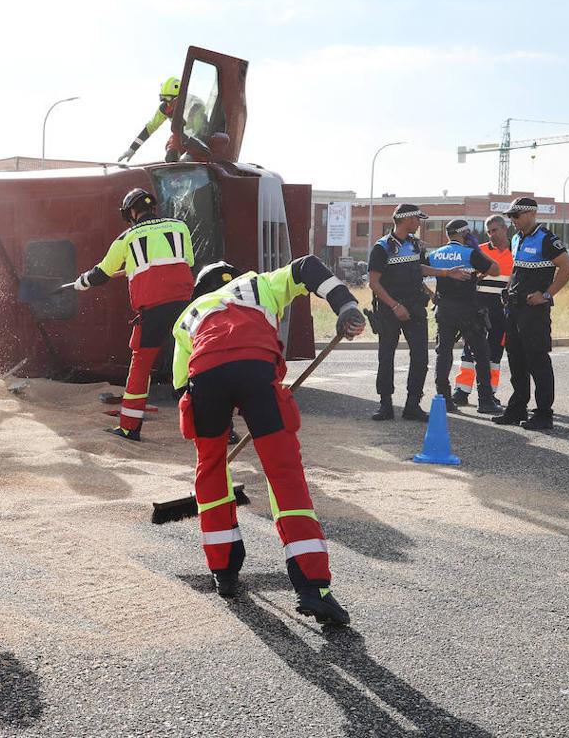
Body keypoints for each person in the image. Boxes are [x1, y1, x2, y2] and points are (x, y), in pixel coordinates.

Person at [173, 256, 366, 625]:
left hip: (205, 378)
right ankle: (314, 587)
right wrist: (347, 305)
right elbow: (307, 267)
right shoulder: (258, 283)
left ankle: (224, 573)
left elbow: (182, 387)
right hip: (256, 367)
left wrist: (218, 427)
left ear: (202, 289)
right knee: (283, 472)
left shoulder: (188, 316)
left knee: (211, 468)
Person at [73, 188, 194, 440]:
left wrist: (82, 282)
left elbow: (103, 272)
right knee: (198, 363)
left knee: (141, 366)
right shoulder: (180, 227)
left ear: (130, 213)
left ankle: (129, 427)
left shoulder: (126, 237)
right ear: (153, 207)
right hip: (185, 306)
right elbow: (186, 262)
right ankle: (224, 429)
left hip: (152, 311)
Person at [367, 203, 471, 422]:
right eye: (416, 219)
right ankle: (385, 404)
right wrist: (395, 306)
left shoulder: (416, 245)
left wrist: (445, 273)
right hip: (389, 309)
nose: (419, 223)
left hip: (415, 307)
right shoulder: (382, 247)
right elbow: (374, 283)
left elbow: (420, 269)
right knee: (386, 357)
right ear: (406, 219)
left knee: (421, 356)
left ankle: (412, 404)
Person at [492, 198, 569, 430]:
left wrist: (546, 295)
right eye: (510, 217)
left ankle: (543, 414)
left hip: (535, 310)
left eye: (515, 216)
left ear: (530, 214)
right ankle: (517, 408)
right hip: (515, 308)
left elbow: (567, 267)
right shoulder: (517, 238)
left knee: (537, 360)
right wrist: (507, 290)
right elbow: (517, 270)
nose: (512, 221)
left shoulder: (547, 238)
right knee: (516, 359)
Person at [427, 220, 501, 413]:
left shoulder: (436, 254)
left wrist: (431, 294)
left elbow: (415, 271)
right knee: (481, 354)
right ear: (465, 233)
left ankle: (443, 399)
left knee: (444, 354)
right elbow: (495, 269)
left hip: (444, 310)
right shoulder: (470, 253)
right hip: (468, 311)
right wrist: (477, 250)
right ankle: (485, 401)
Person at [453, 215, 512, 408]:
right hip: (478, 304)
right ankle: (461, 391)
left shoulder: (516, 251)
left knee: (495, 352)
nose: (492, 235)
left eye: (495, 230)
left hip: (502, 306)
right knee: (470, 349)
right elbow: (466, 278)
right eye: (489, 231)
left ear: (505, 229)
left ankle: (490, 394)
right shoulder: (479, 251)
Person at [118, 77, 183, 164]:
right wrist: (132, 149)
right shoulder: (165, 109)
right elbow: (150, 128)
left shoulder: (194, 105)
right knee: (171, 156)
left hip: (197, 138)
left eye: (168, 99)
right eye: (164, 99)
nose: (168, 104)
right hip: (180, 136)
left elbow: (199, 130)